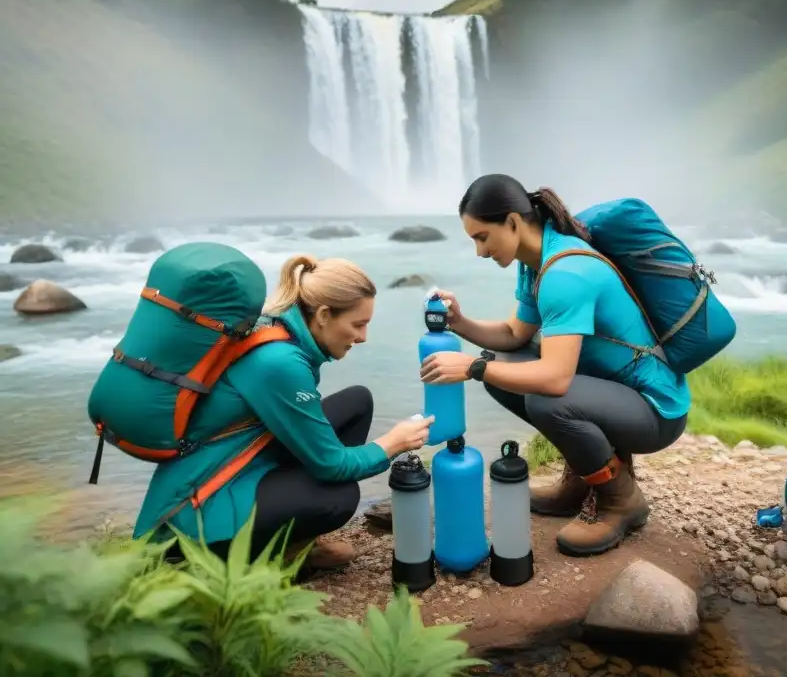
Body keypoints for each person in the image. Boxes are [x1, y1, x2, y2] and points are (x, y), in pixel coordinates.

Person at [419, 174, 689, 557]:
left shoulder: (565, 273)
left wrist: (472, 368)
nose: (479, 252)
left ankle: (620, 501)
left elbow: (556, 378)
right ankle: (582, 480)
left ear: (513, 222)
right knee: (502, 370)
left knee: (545, 398)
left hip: (654, 411)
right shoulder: (536, 263)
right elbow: (514, 334)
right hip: (616, 394)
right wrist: (460, 323)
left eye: (482, 237)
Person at [134, 254, 434, 569]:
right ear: (323, 314)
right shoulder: (279, 362)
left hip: (237, 462)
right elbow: (333, 465)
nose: (363, 337)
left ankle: (292, 537)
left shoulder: (276, 328)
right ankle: (275, 558)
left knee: (357, 403)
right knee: (339, 496)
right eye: (358, 324)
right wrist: (393, 443)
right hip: (196, 512)